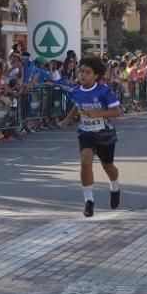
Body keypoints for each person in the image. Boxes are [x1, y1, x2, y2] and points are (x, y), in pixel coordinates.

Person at [58, 56, 122, 217]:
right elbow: (77, 106)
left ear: (96, 76)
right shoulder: (76, 91)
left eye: (87, 72)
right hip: (86, 132)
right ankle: (89, 201)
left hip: (105, 134)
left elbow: (117, 111)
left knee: (108, 167)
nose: (83, 75)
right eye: (81, 72)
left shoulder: (104, 91)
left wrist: (98, 113)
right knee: (85, 162)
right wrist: (67, 119)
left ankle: (115, 187)